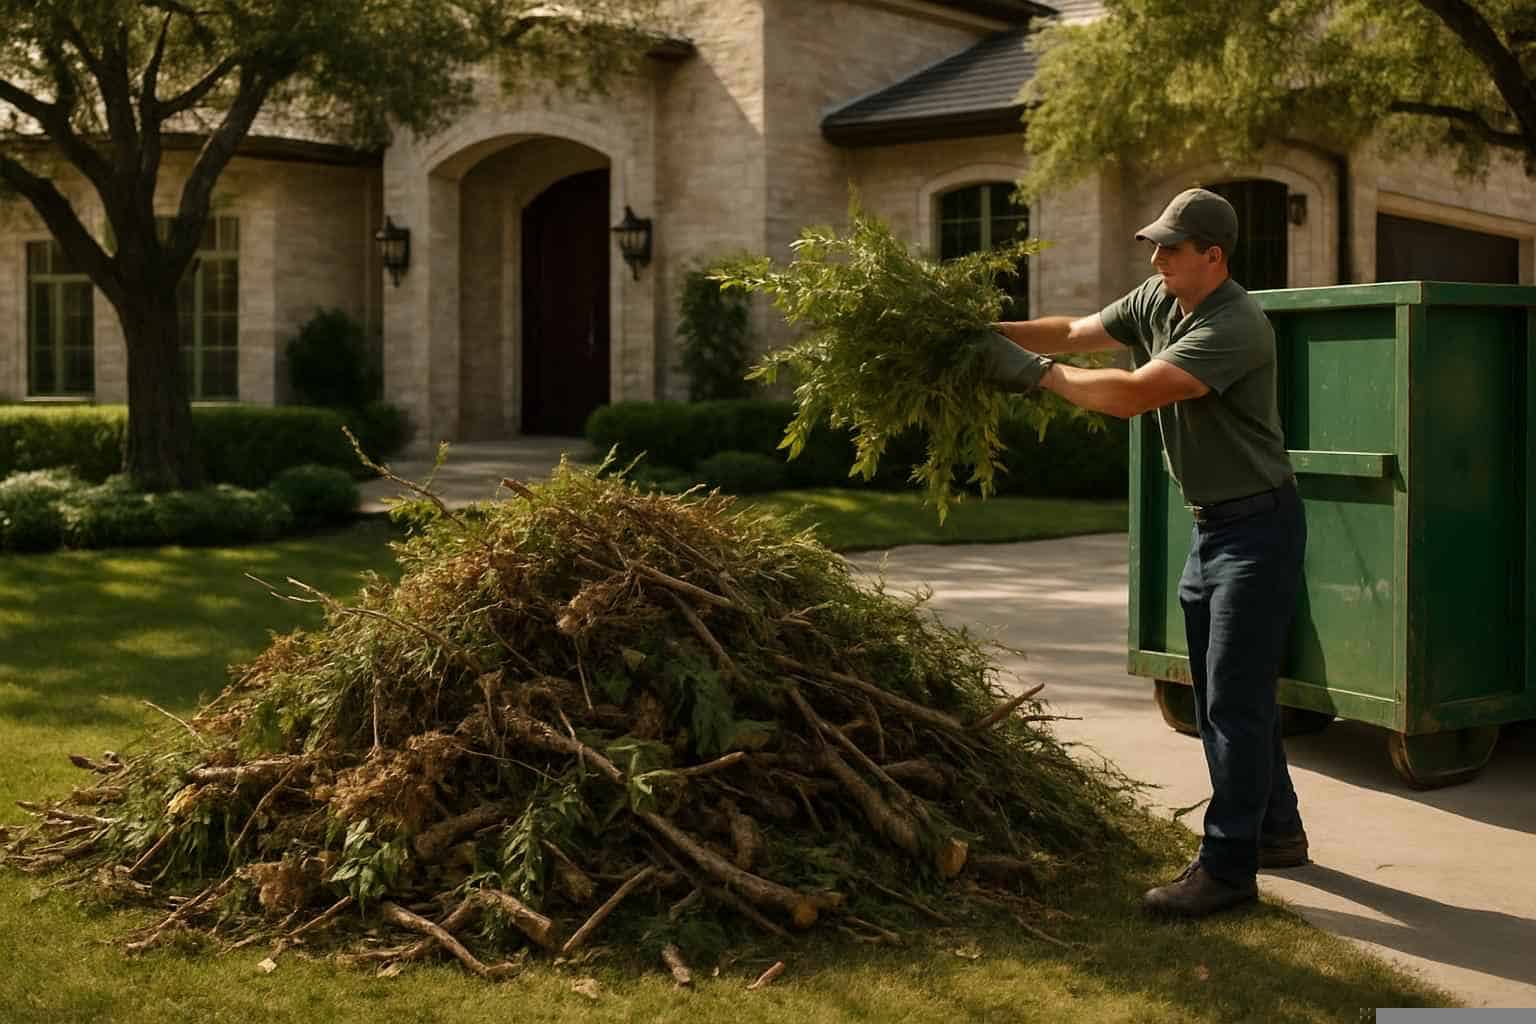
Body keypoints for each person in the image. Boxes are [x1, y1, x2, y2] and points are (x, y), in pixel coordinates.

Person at [979, 187, 1309, 918]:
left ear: (1214, 257)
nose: (1156, 256)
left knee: (1231, 704)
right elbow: (1071, 330)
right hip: (1215, 526)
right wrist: (980, 329)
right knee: (1233, 696)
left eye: (1171, 246)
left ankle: (1227, 870)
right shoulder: (1159, 299)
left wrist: (1026, 373)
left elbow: (1131, 394)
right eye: (1155, 244)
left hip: (1259, 530)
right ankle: (1277, 830)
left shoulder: (1237, 324)